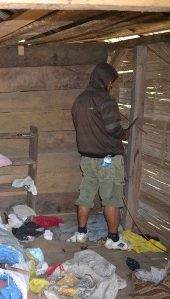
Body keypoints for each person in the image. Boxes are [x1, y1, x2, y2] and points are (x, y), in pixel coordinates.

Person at [70, 62, 131, 250]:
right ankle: (113, 239)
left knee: (86, 195)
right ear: (103, 80)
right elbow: (113, 129)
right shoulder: (105, 99)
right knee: (112, 198)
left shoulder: (79, 100)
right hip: (109, 160)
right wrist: (124, 134)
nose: (111, 86)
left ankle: (81, 233)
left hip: (87, 160)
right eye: (111, 82)